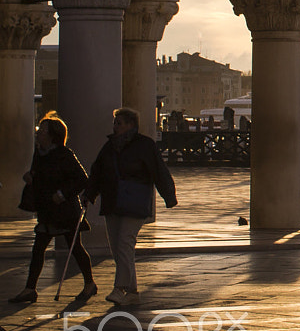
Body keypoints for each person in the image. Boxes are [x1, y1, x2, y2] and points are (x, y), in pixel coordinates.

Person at [85, 107, 177, 307]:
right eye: (115, 123)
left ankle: (120, 288)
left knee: (125, 243)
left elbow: (158, 170)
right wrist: (89, 194)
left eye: (119, 123)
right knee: (118, 248)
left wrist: (168, 195)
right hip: (112, 201)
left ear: (130, 125)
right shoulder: (109, 147)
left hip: (135, 201)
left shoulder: (145, 145)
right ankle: (133, 291)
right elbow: (97, 172)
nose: (115, 126)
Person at [8, 113, 96, 304]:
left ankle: (89, 283)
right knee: (38, 249)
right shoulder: (39, 154)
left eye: (42, 130)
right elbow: (39, 175)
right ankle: (30, 289)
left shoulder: (65, 155)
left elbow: (82, 179)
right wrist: (30, 177)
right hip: (47, 209)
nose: (38, 133)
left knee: (76, 248)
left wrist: (62, 194)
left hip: (66, 211)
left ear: (52, 135)